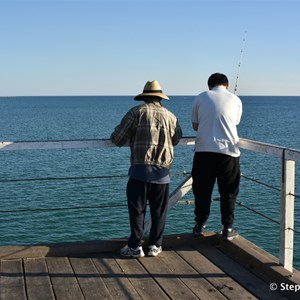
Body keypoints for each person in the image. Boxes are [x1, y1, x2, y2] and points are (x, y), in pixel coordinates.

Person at [111, 80, 182, 257]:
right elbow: (177, 139)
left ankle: (135, 247)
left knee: (137, 211)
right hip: (163, 173)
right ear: (160, 98)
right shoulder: (171, 116)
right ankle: (155, 246)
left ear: (144, 97)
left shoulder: (136, 112)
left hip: (140, 171)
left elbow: (117, 139)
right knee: (159, 212)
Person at [191, 73, 242, 241]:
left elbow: (195, 125)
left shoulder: (200, 97)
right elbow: (235, 122)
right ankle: (227, 228)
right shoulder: (235, 99)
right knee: (228, 191)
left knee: (202, 190)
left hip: (204, 151)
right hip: (228, 152)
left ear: (209, 86)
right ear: (227, 85)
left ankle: (199, 225)